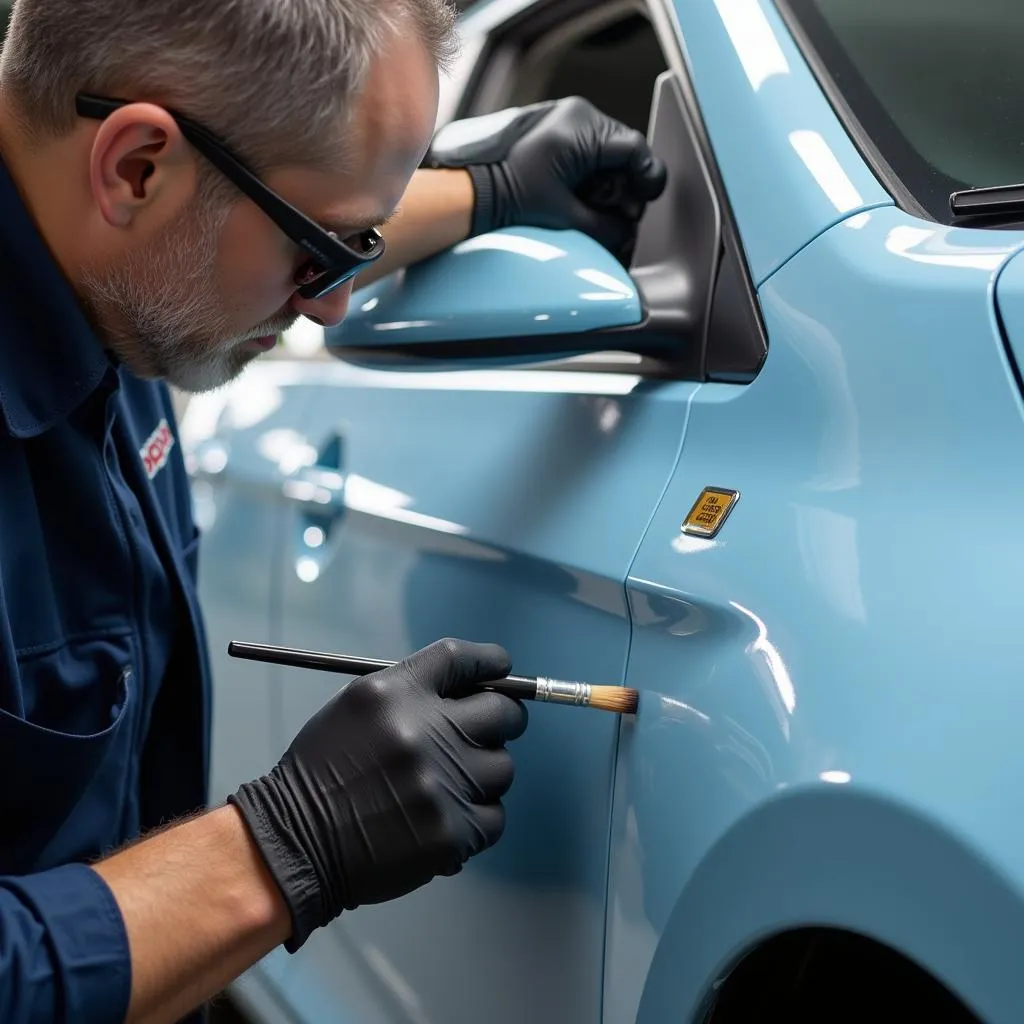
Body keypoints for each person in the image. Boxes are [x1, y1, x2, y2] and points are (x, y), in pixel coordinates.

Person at [0, 0, 667, 1020]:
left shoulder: (105, 255)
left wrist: (490, 193)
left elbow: (243, 207)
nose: (338, 302)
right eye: (324, 255)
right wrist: (276, 849)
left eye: (361, 246)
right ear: (135, 167)